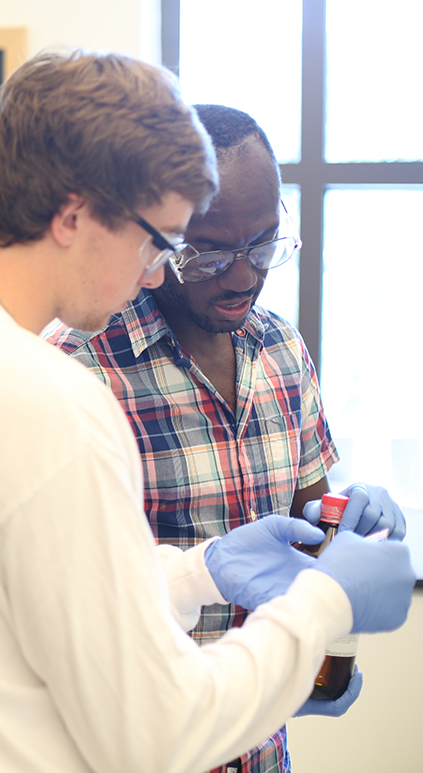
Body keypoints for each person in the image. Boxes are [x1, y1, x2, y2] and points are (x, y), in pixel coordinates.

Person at [0, 51, 414, 773]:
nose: (156, 271)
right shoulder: (50, 399)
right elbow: (160, 733)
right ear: (73, 214)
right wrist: (323, 601)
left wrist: (198, 572)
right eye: (158, 241)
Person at [47, 104, 407, 773]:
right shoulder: (77, 368)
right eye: (209, 252)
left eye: (264, 244)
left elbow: (308, 526)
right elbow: (66, 608)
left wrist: (349, 521)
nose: (242, 276)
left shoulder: (282, 350)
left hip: (263, 750)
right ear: (154, 238)